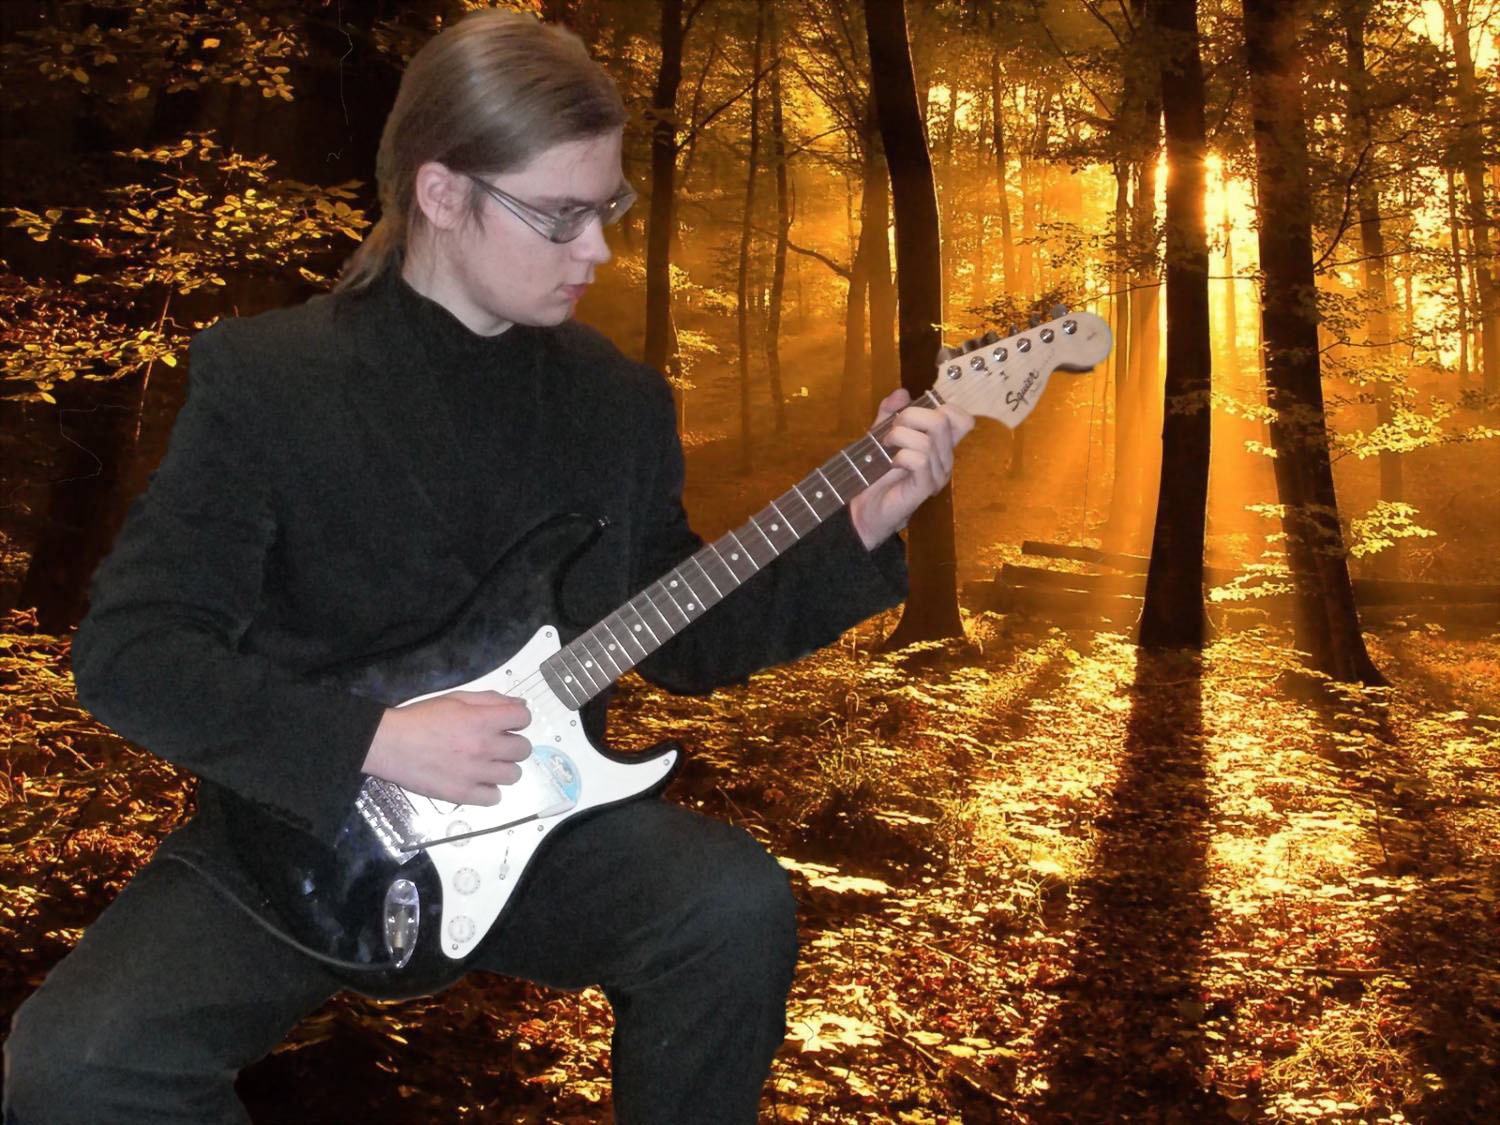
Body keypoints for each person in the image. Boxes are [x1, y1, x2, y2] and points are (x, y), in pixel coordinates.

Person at [3, 10, 972, 1123]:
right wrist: (373, 740)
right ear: (441, 193)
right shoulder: (271, 383)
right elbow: (131, 654)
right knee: (73, 1066)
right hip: (295, 836)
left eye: (607, 209)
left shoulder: (614, 406)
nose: (597, 250)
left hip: (539, 827)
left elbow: (691, 640)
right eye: (560, 215)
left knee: (729, 906)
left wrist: (860, 525)